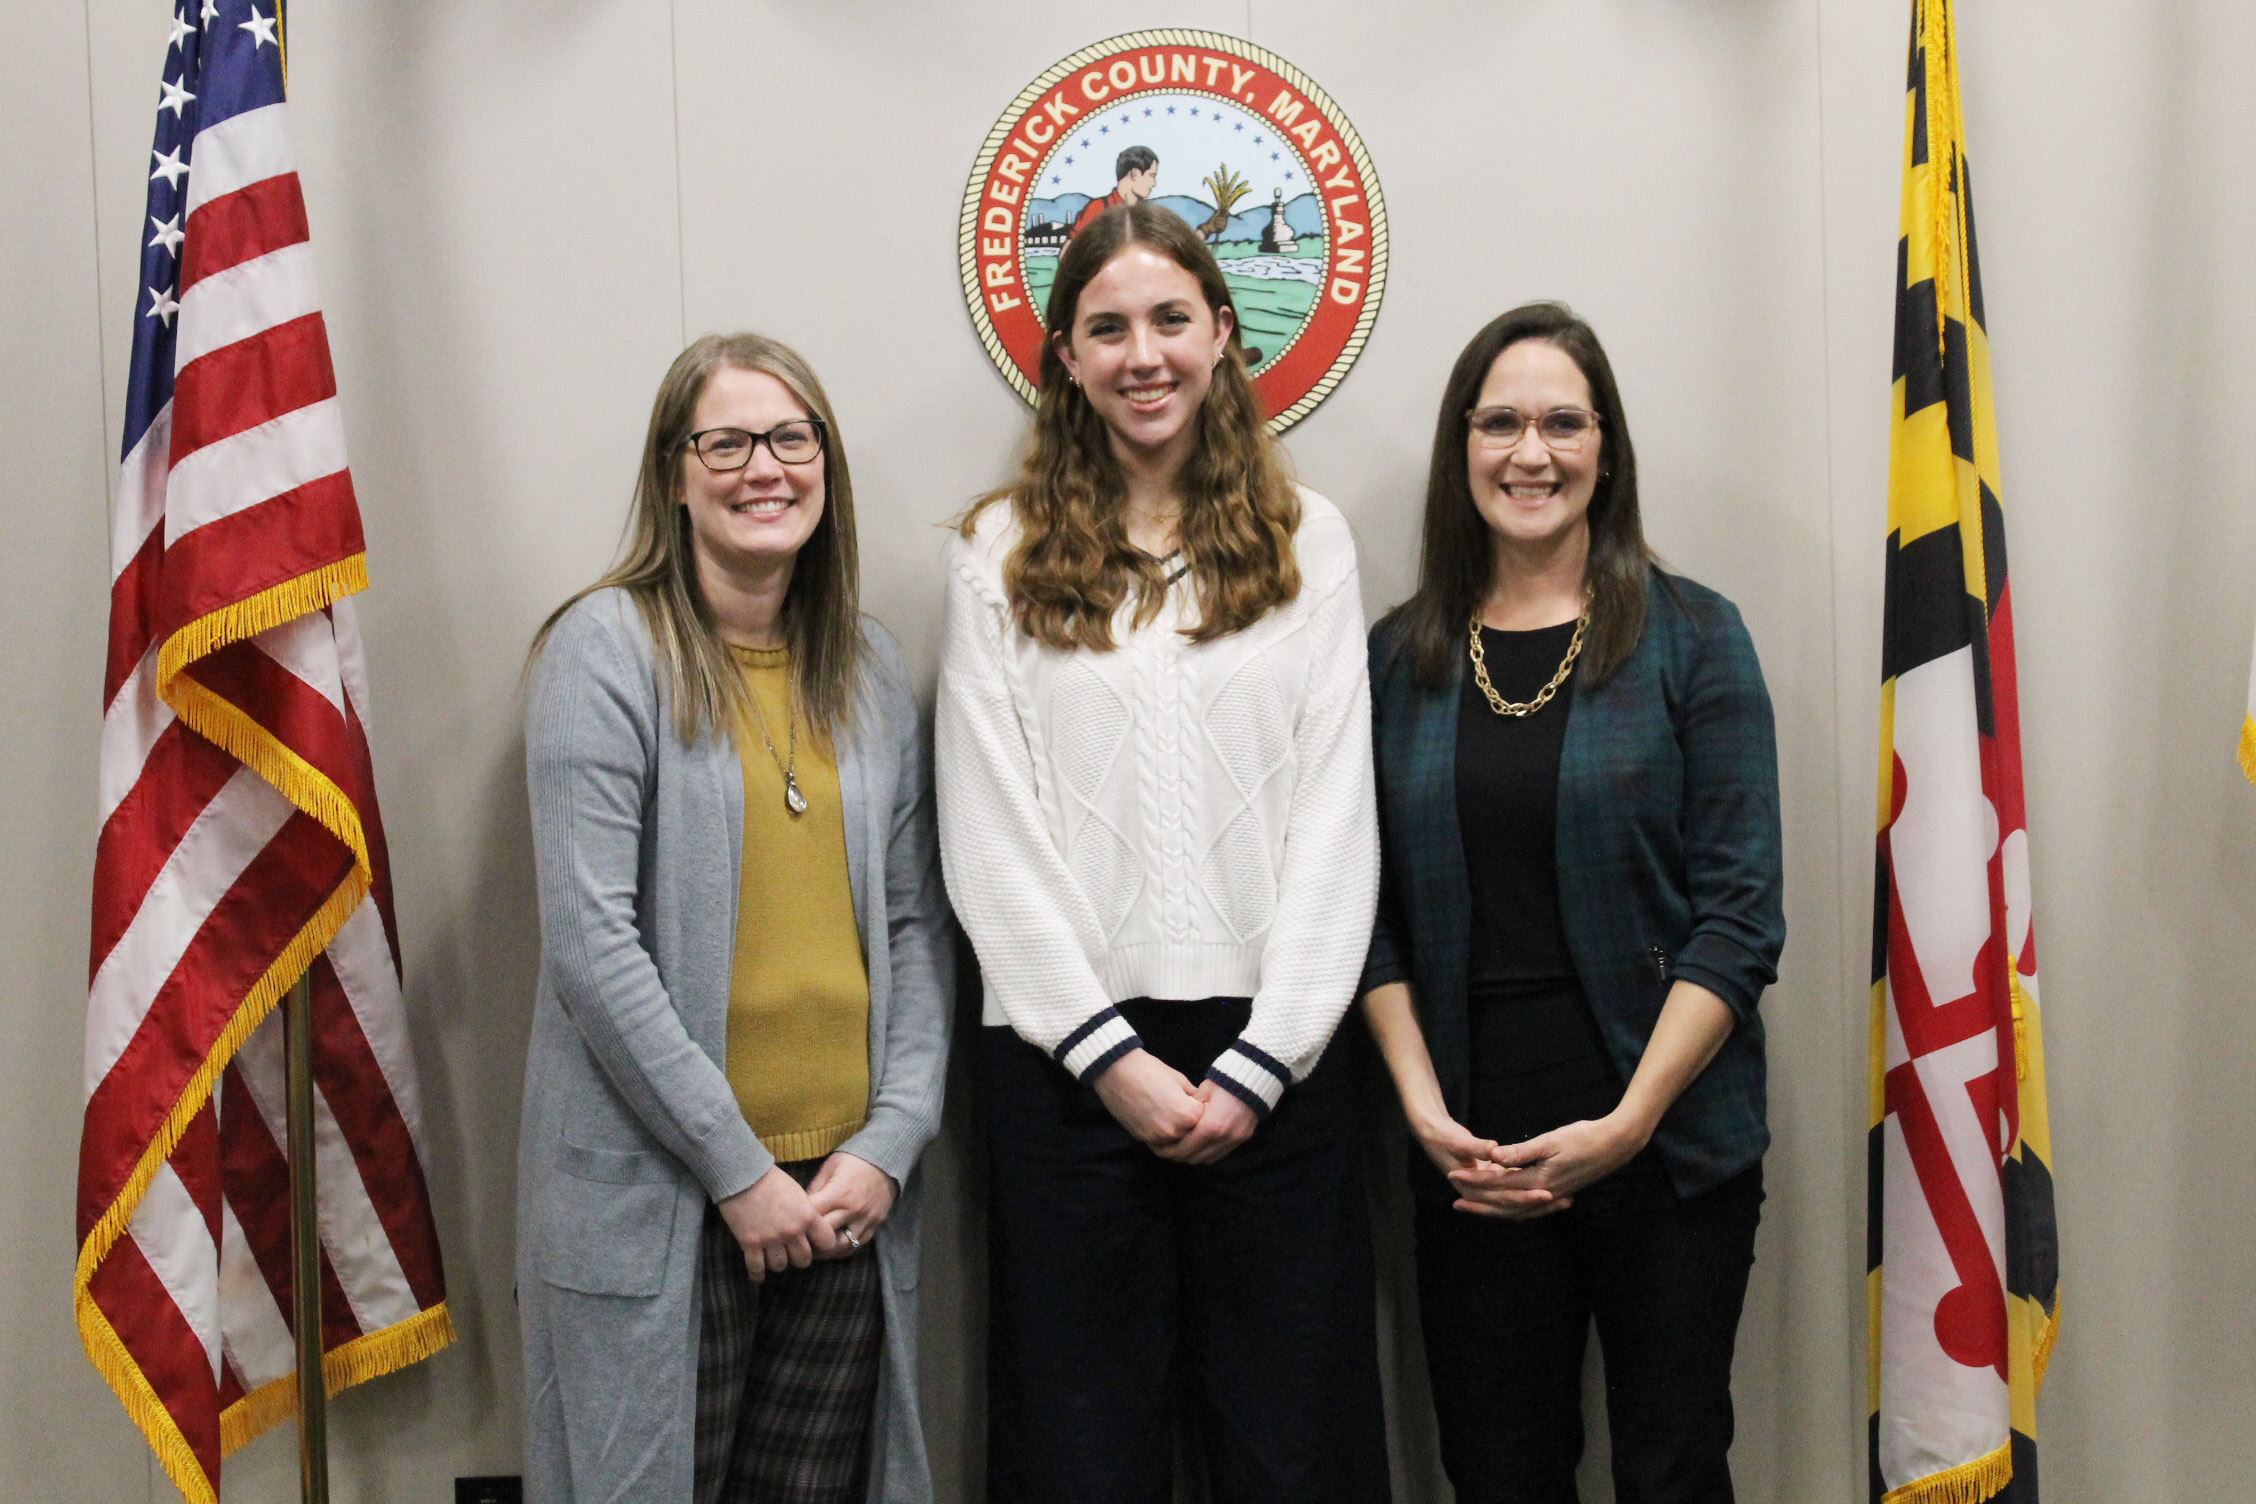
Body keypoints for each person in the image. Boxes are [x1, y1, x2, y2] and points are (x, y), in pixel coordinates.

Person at [936, 203, 1389, 1503]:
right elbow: (990, 838)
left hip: (1279, 1068)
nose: (1145, 354)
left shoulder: (1312, 541)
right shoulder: (998, 558)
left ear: (1224, 338)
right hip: (1068, 1078)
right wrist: (1111, 1060)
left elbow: (1333, 827)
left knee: (1291, 1449)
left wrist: (1264, 1058)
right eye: (1109, 327)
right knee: (1083, 1456)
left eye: (1171, 320)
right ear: (1066, 359)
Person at [517, 332, 953, 1504]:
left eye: (792, 437)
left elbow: (914, 928)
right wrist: (736, 1170)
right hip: (668, 1189)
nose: (765, 467)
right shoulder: (604, 650)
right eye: (728, 440)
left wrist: (893, 1138)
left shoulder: (864, 668)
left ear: (827, 464)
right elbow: (590, 945)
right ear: (674, 471)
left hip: (843, 1194)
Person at [1360, 302, 1784, 1504]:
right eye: (1499, 422)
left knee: (1670, 1467)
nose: (1529, 452)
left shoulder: (1696, 637)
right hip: (1471, 1148)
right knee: (1498, 1472)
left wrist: (1631, 1122)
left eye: (1562, 421)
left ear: (1607, 447)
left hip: (1667, 1145)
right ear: (1463, 447)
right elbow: (1362, 913)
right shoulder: (1399, 660)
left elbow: (1743, 915)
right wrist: (1427, 1109)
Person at [1071, 144, 1159, 236]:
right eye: (1151, 175)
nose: (1154, 183)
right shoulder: (1097, 208)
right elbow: (1073, 243)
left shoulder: (1149, 213)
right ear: (1135, 174)